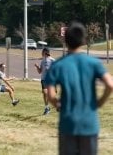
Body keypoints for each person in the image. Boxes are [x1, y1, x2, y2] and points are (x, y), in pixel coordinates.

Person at [45, 22, 113, 155]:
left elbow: (50, 94)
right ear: (84, 40)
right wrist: (99, 102)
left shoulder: (58, 65)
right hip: (89, 124)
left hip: (68, 124)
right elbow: (110, 85)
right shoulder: (94, 63)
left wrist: (58, 104)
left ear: (65, 40)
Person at [35, 48, 55, 115]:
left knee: (51, 95)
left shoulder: (52, 60)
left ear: (46, 52)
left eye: (42, 52)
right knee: (44, 92)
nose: (41, 53)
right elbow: (40, 72)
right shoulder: (42, 61)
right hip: (43, 79)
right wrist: (37, 67)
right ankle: (47, 108)